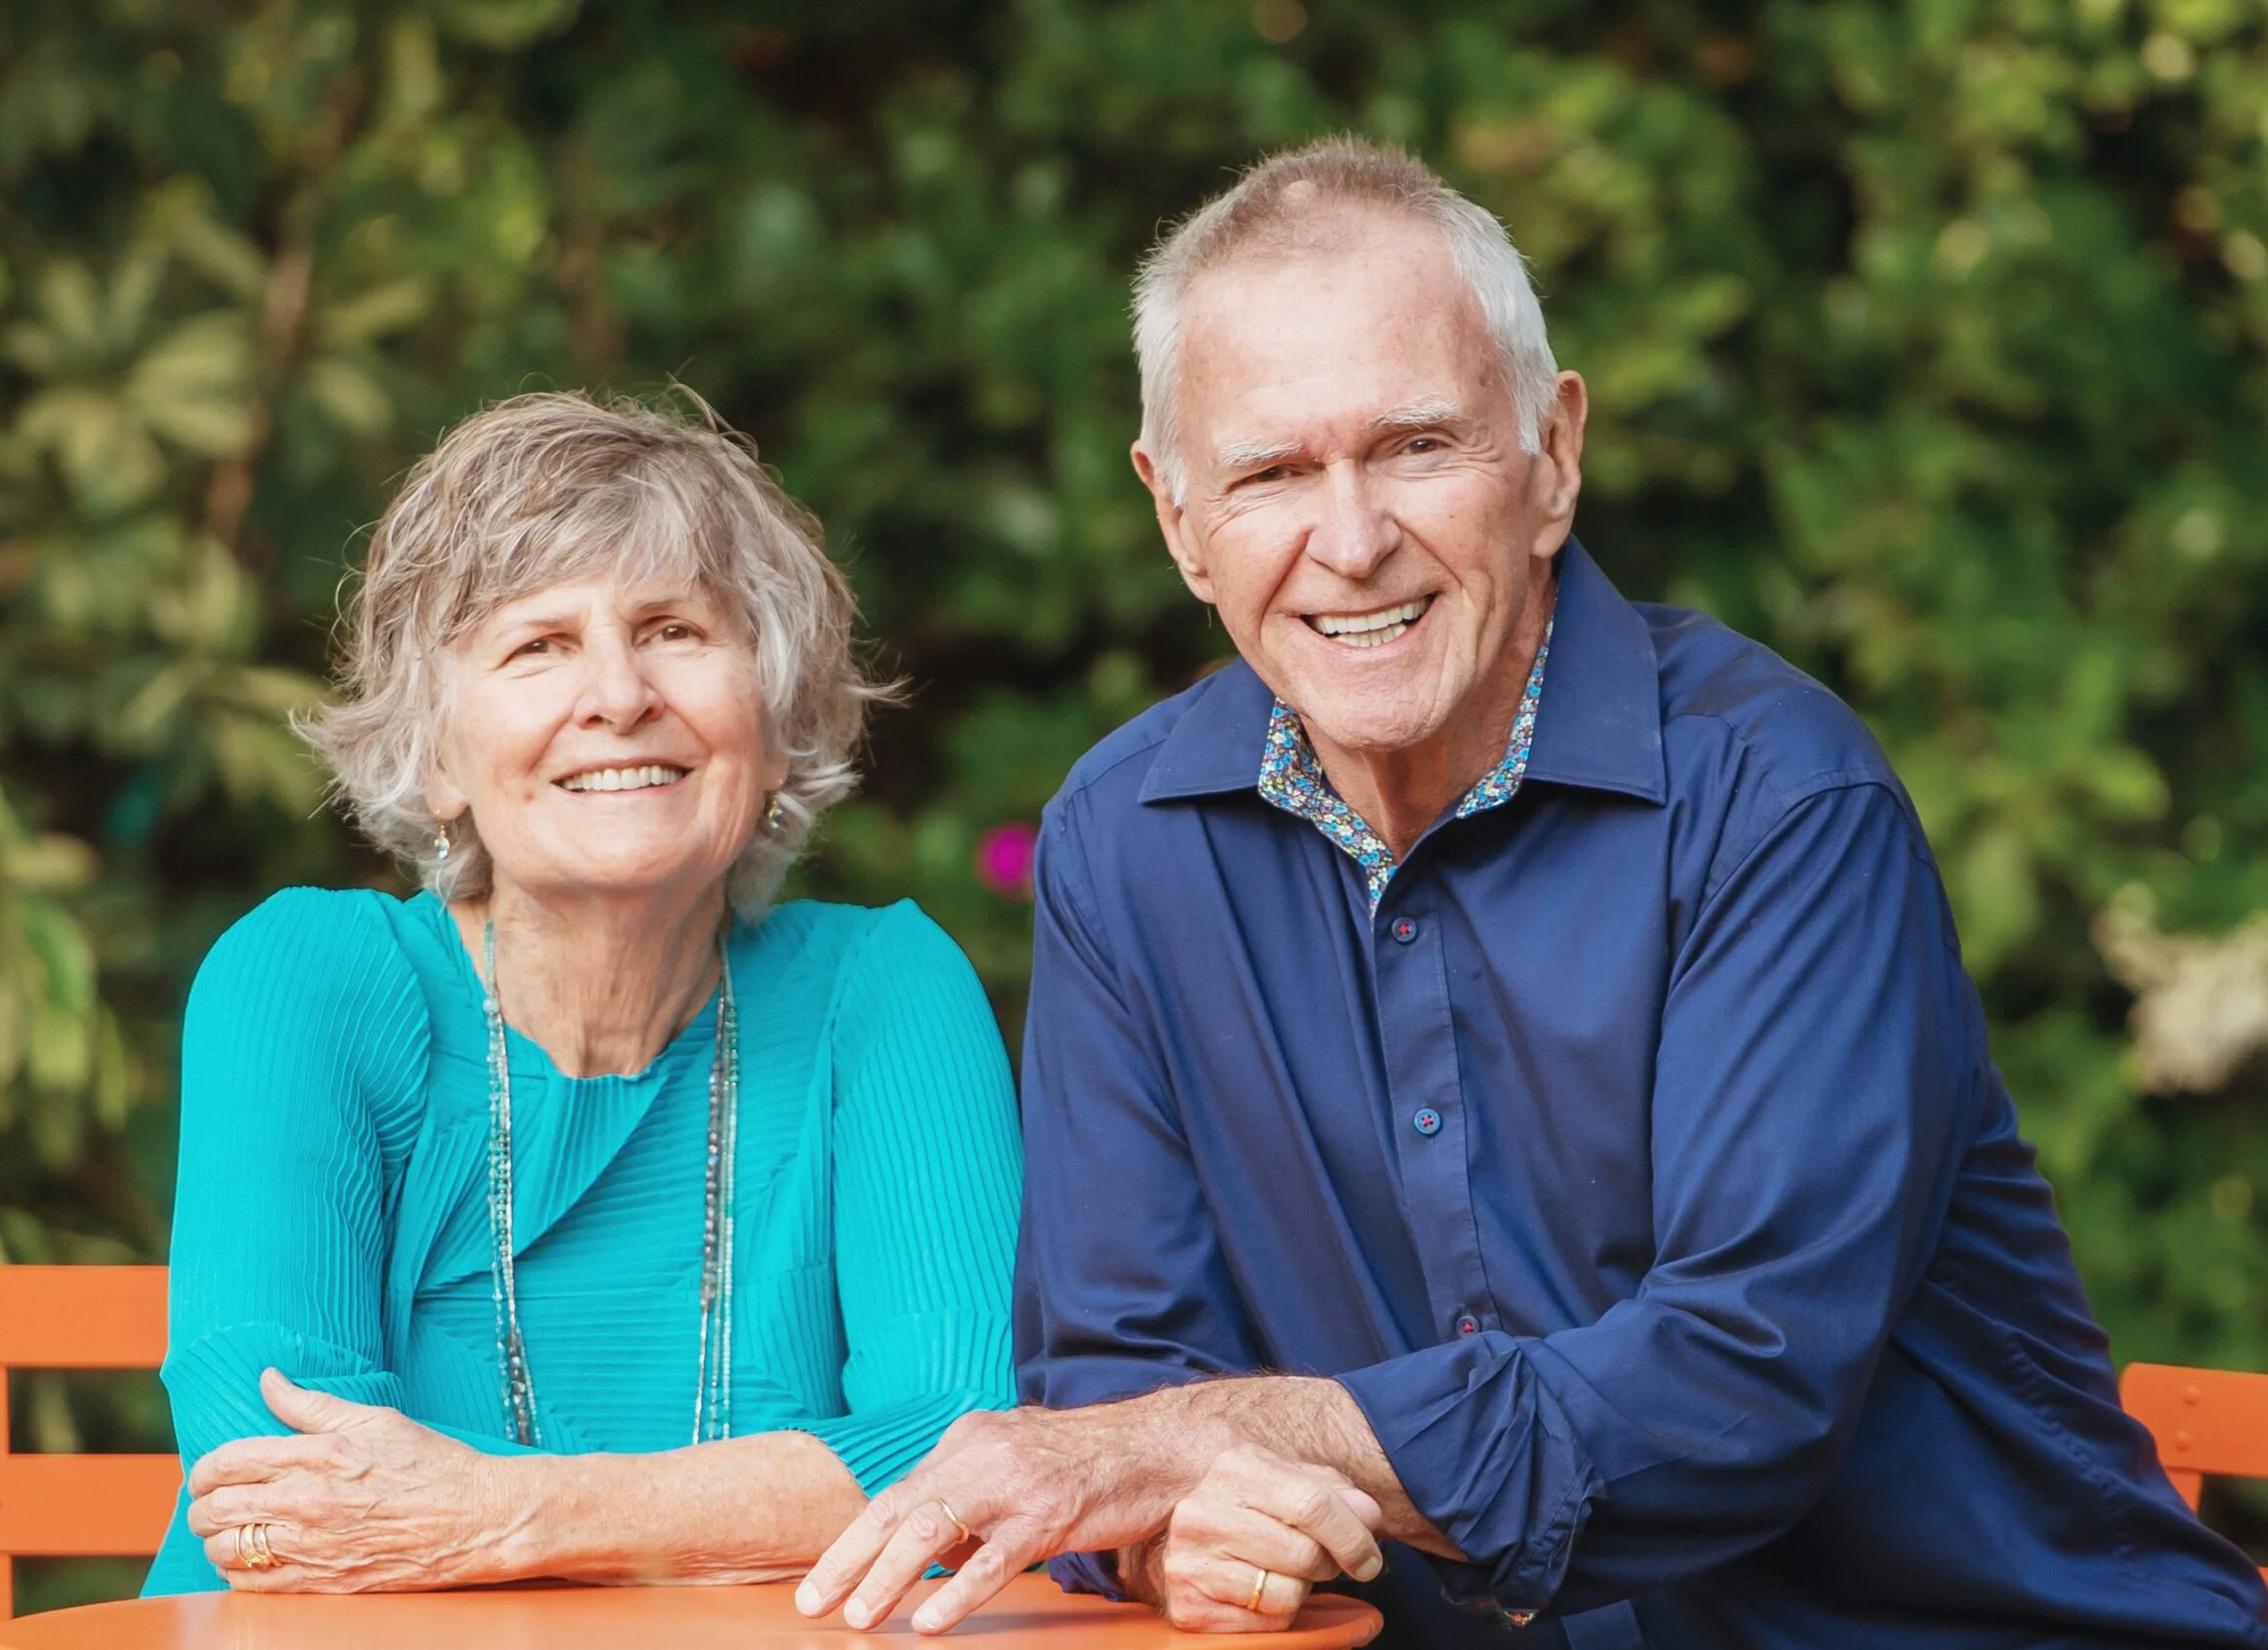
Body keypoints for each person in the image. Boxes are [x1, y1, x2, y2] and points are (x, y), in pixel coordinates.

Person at [797, 140, 2268, 1646]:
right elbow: (1123, 1380)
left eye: (1415, 447)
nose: (1351, 541)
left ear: (1552, 457)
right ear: (1178, 519)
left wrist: (1208, 1445)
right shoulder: (1125, 843)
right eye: (1271, 473)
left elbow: (1742, 1378)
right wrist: (1186, 1539)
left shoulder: (1780, 803)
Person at [141, 392, 1021, 1595]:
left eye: (673, 629)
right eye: (538, 646)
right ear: (438, 757)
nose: (617, 694)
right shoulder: (308, 981)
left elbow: (977, 1458)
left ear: (772, 726)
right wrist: (772, 1505)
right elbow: (278, 1489)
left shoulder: (882, 996)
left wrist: (510, 1515)